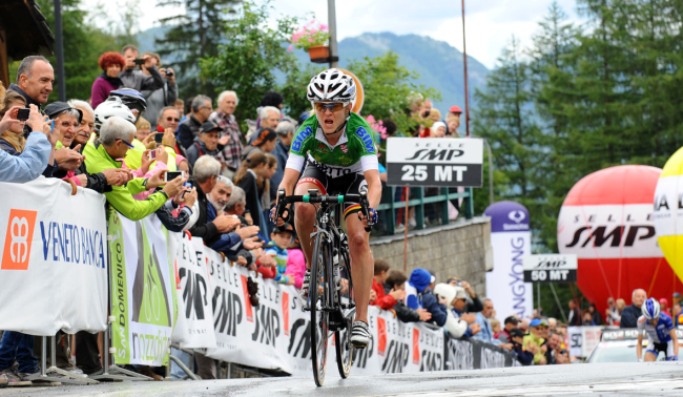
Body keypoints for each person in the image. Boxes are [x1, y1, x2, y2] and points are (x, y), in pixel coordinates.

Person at [275, 68, 381, 348]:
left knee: (358, 238)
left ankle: (361, 320)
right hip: (319, 172)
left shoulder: (360, 131)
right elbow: (288, 179)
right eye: (321, 106)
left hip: (352, 178)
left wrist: (370, 208)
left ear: (348, 106)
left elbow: (374, 182)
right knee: (302, 205)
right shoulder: (307, 130)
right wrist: (281, 202)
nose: (327, 113)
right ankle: (313, 266)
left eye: (334, 106)